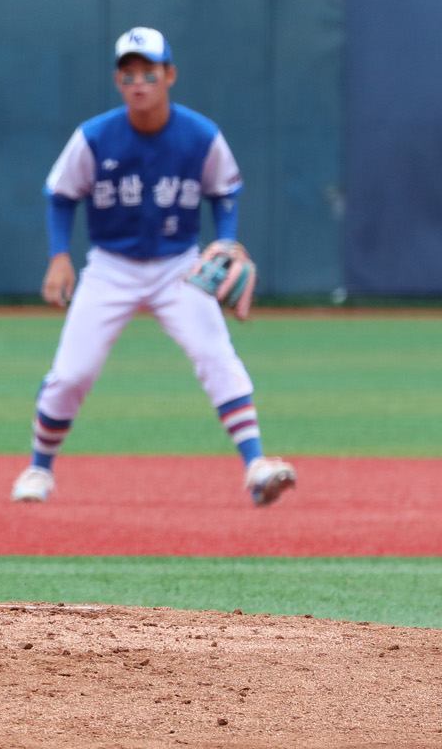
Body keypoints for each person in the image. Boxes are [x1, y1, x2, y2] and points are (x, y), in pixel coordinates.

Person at [15, 27, 295, 506]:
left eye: (149, 72)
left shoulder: (200, 135)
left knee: (216, 357)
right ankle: (39, 470)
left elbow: (225, 191)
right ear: (117, 81)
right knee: (72, 373)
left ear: (170, 75)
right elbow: (61, 195)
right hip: (110, 266)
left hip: (179, 267)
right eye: (129, 75)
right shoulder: (95, 136)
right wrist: (59, 256)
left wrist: (225, 242)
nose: (139, 82)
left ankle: (256, 466)